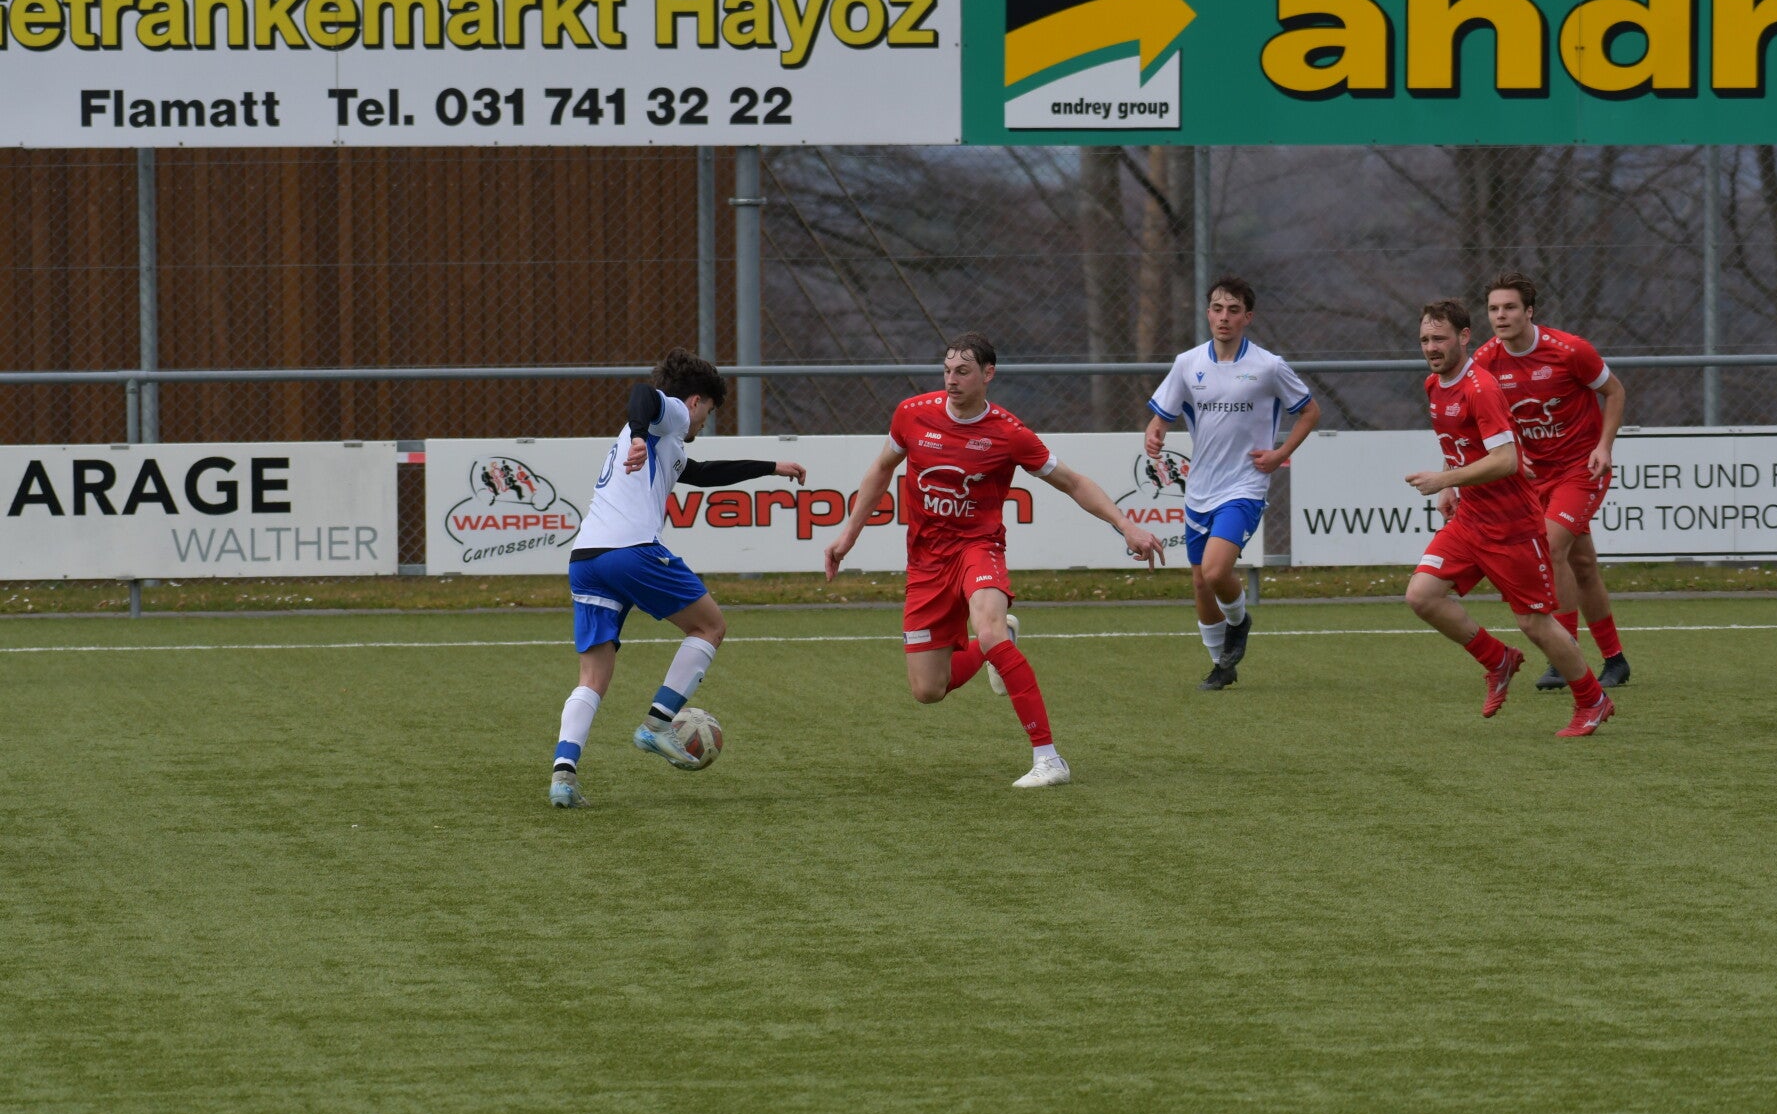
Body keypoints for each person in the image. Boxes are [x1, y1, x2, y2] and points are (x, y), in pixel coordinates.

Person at [825, 332, 1165, 788]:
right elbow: (882, 468)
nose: (951, 380)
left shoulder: (1008, 432)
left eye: (963, 371)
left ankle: (1049, 758)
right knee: (928, 690)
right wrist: (849, 533)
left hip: (978, 548)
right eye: (947, 370)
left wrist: (1125, 525)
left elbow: (1073, 482)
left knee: (988, 630)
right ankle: (994, 648)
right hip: (926, 561)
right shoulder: (912, 414)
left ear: (988, 374)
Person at [549, 348, 807, 808]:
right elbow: (642, 395)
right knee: (710, 626)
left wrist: (770, 467)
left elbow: (704, 474)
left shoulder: (666, 442)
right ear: (694, 401)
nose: (704, 422)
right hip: (630, 550)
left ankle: (563, 777)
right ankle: (658, 723)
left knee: (592, 677)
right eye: (708, 411)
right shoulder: (668, 416)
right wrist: (638, 434)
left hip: (586, 559)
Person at [1404, 299, 1616, 737]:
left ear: (1464, 337)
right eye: (1424, 339)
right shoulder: (1434, 384)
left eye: (1440, 338)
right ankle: (1498, 659)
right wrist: (1450, 487)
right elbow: (1461, 446)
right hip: (1470, 521)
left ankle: (1592, 700)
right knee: (1422, 595)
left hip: (1511, 526)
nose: (1431, 347)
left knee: (1534, 622)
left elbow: (1506, 460)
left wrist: (1445, 478)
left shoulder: (1480, 388)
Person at [1143, 275, 1320, 691]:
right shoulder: (1188, 363)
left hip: (1245, 485)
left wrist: (1279, 453)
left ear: (1247, 317)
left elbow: (1310, 411)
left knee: (1216, 569)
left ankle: (1239, 622)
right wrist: (1154, 431)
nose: (1224, 317)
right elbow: (1162, 415)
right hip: (1200, 487)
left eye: (1234, 310)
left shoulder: (1268, 366)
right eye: (1218, 308)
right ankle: (1221, 665)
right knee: (1200, 582)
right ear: (1208, 313)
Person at [1462, 270, 1630, 692]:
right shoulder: (1484, 361)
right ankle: (1616, 660)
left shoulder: (1570, 350)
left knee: (1552, 547)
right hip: (1533, 478)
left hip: (1580, 470)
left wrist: (1604, 446)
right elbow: (1471, 425)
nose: (1500, 316)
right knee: (1582, 564)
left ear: (1529, 311)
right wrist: (1457, 479)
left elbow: (1615, 392)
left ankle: (1563, 654)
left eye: (1510, 307)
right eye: (1493, 309)